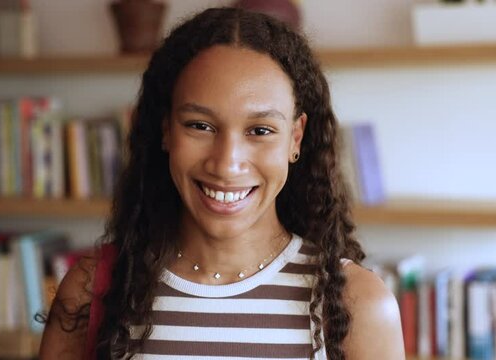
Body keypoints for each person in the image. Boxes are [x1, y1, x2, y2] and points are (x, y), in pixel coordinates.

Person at [40, 7, 404, 360]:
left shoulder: (357, 304)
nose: (227, 163)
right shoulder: (92, 289)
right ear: (166, 129)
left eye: (260, 130)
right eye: (200, 125)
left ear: (295, 138)